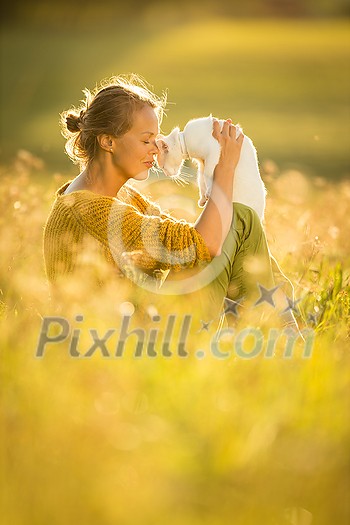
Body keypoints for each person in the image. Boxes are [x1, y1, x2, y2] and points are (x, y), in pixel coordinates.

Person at [43, 74, 299, 332]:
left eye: (155, 140)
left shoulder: (119, 197)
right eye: (146, 140)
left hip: (141, 321)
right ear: (108, 141)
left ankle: (283, 327)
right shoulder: (87, 209)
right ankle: (280, 332)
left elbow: (182, 239)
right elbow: (204, 243)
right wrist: (225, 167)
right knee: (236, 222)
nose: (155, 149)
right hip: (122, 338)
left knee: (236, 225)